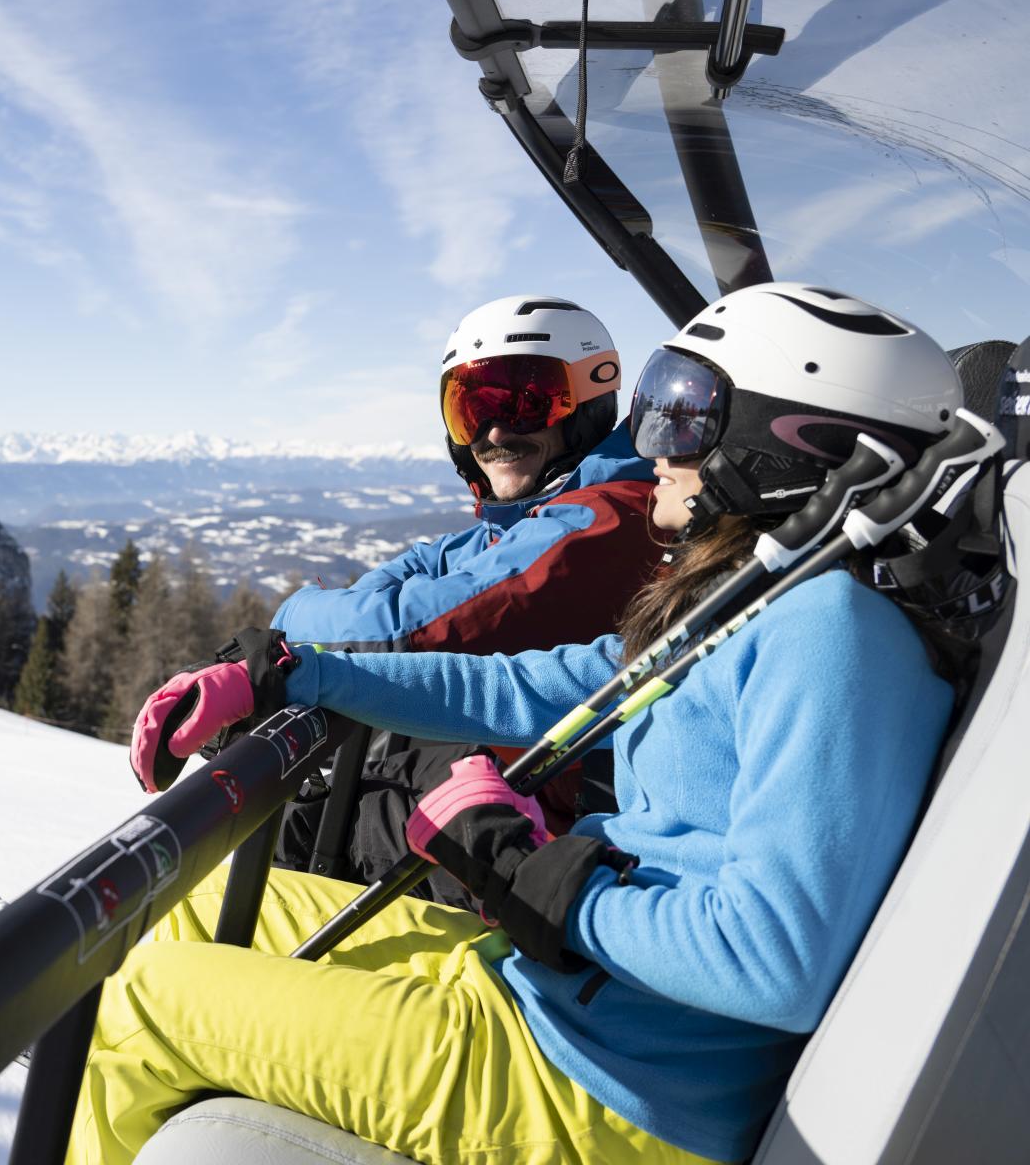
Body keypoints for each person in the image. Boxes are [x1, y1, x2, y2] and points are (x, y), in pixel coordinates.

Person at [82, 283, 965, 1165]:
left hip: (613, 1093)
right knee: (192, 904)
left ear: (786, 446)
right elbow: (528, 686)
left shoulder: (832, 637)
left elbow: (775, 962)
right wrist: (291, 674)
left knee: (145, 999)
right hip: (559, 992)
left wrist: (523, 868)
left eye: (684, 417)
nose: (649, 443)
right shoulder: (757, 605)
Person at [139, 296, 666, 901]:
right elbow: (434, 560)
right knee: (302, 813)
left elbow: (413, 629)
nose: (495, 431)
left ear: (591, 400)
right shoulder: (564, 505)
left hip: (545, 839)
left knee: (288, 839)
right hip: (509, 793)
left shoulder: (606, 520)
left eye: (523, 401)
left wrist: (287, 626)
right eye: (472, 408)